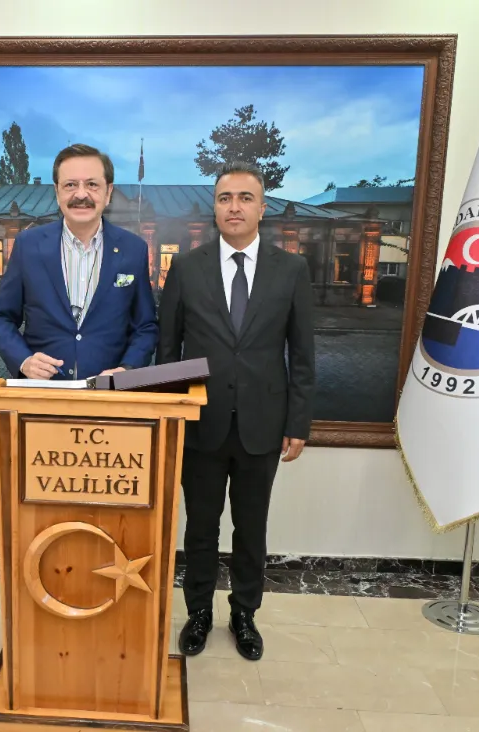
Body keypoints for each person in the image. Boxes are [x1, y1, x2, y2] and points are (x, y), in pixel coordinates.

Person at [157, 161, 315, 661]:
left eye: (245, 198)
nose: (235, 207)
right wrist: (170, 416)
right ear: (215, 207)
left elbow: (302, 354)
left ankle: (244, 613)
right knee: (201, 528)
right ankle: (199, 612)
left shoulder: (291, 270)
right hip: (200, 424)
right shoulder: (187, 268)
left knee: (251, 528)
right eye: (225, 198)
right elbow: (168, 351)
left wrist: (298, 422)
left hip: (263, 425)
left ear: (262, 209)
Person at [0, 144, 157, 380]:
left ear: (108, 192)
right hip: (43, 392)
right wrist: (23, 361)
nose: (81, 195)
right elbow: (0, 318)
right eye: (70, 185)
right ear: (57, 192)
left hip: (108, 395)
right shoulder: (28, 245)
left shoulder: (133, 249)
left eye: (92, 184)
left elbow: (145, 327)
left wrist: (127, 370)